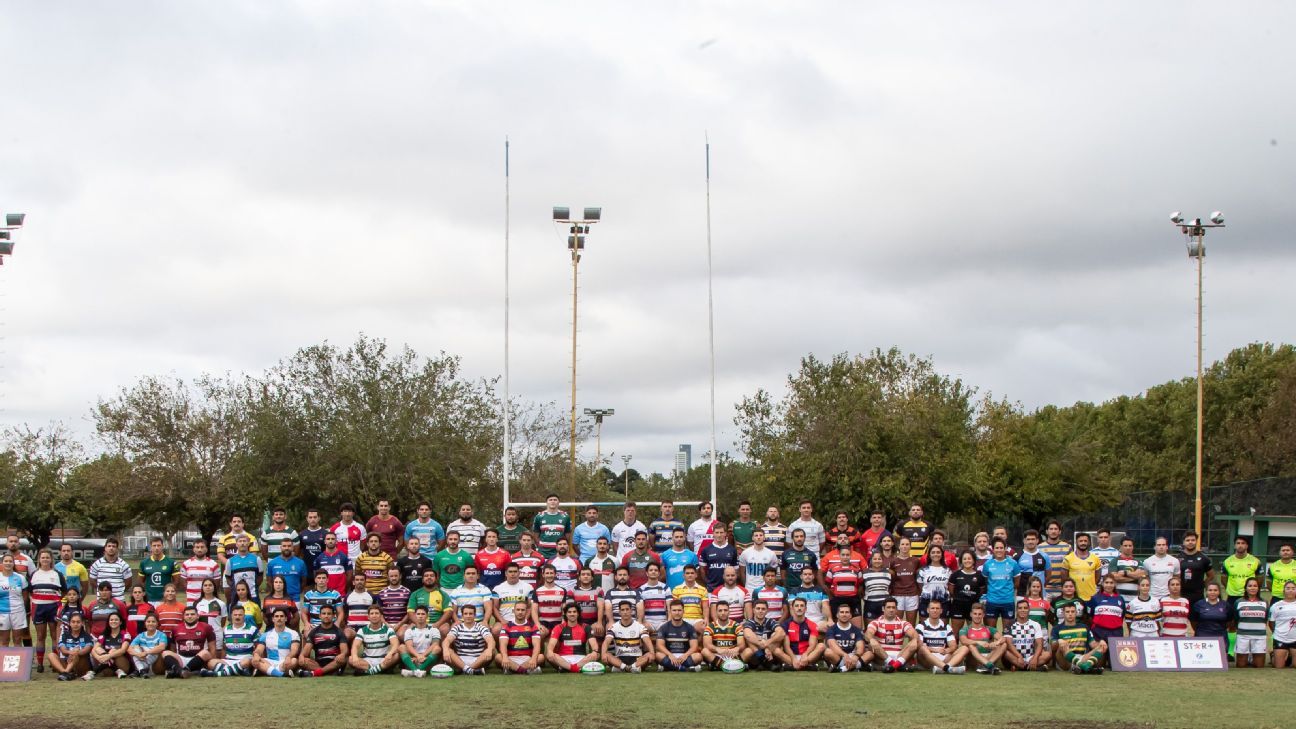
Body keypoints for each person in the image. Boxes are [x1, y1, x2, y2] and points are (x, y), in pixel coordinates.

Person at [28, 549, 65, 672]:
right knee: (40, 636)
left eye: (47, 557)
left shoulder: (57, 574)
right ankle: (40, 663)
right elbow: (29, 591)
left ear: (51, 559)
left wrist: (58, 603)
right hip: (38, 608)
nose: (45, 560)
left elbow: (64, 591)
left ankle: (55, 663)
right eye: (42, 557)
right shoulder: (34, 574)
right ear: (39, 559)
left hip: (53, 607)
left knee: (55, 635)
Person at [162, 605, 216, 679]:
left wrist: (211, 663)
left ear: (197, 616)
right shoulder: (176, 628)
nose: (190, 616)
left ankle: (180, 671)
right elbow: (173, 648)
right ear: (183, 617)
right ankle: (181, 671)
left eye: (192, 614)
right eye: (187, 614)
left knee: (205, 653)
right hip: (181, 658)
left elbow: (212, 647)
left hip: (198, 658)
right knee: (165, 653)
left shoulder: (207, 627)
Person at [865, 597, 918, 673]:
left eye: (893, 607)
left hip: (899, 655)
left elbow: (913, 633)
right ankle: (896, 665)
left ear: (896, 609)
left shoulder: (903, 623)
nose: (891, 610)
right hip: (882, 656)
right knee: (871, 643)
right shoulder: (876, 622)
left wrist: (915, 640)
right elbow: (868, 633)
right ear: (883, 609)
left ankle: (892, 666)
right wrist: (871, 639)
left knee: (916, 641)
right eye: (888, 607)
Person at [204, 603, 258, 677]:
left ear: (244, 616)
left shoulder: (252, 629)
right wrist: (222, 659)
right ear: (231, 616)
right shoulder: (226, 629)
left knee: (246, 662)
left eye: (240, 615)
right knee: (211, 663)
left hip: (245, 659)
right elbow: (224, 648)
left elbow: (258, 647)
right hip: (229, 660)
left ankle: (218, 674)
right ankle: (239, 671)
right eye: (235, 615)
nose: (237, 617)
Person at [1052, 602, 1105, 674]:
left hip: (1083, 657)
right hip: (1066, 661)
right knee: (1062, 646)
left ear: (1076, 613)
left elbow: (1093, 644)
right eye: (1067, 612)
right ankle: (1086, 667)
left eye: (1073, 611)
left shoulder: (1084, 627)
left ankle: (1082, 666)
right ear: (1063, 613)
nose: (1070, 614)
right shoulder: (1056, 628)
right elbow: (1053, 647)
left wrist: (1100, 643)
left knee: (1102, 646)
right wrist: (1059, 641)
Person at [914, 600, 966, 674]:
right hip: (927, 658)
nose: (935, 610)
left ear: (941, 611)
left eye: (937, 608)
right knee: (922, 648)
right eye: (932, 608)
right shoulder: (920, 626)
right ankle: (947, 668)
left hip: (943, 656)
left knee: (964, 648)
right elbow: (919, 646)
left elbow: (953, 646)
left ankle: (943, 668)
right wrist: (936, 650)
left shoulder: (946, 627)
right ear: (928, 610)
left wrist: (946, 650)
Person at [545, 602, 600, 673]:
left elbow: (594, 644)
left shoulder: (586, 627)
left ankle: (566, 669)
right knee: (549, 655)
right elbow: (551, 644)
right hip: (563, 659)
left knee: (597, 655)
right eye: (569, 612)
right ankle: (576, 669)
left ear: (578, 613)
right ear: (565, 614)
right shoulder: (558, 627)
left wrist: (594, 651)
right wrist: (549, 651)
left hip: (581, 659)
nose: (572, 614)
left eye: (574, 612)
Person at [296, 603, 348, 677]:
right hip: (318, 663)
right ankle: (327, 671)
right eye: (324, 613)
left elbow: (345, 650)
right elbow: (306, 650)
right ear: (320, 616)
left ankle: (315, 673)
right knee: (304, 660)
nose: (326, 616)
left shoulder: (339, 631)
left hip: (334, 662)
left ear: (333, 616)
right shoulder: (314, 632)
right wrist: (301, 656)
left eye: (329, 614)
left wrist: (342, 654)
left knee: (343, 659)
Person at [444, 602, 494, 674]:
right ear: (462, 615)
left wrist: (489, 650)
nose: (468, 616)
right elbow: (447, 640)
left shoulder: (480, 627)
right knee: (448, 650)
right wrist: (445, 650)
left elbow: (490, 639)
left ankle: (466, 670)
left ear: (475, 615)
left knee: (490, 650)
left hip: (478, 660)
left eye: (471, 614)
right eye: (466, 614)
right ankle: (470, 670)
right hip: (460, 660)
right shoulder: (457, 628)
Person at [347, 604, 398, 675]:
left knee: (397, 655)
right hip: (367, 661)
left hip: (384, 660)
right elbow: (355, 646)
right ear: (368, 617)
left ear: (381, 616)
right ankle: (382, 669)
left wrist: (390, 654)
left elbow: (395, 644)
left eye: (377, 613)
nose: (374, 616)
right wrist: (355, 656)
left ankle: (370, 672)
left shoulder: (388, 630)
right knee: (350, 659)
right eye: (372, 613)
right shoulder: (362, 630)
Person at [603, 600, 652, 673]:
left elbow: (647, 640)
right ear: (619, 612)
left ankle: (623, 668)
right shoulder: (614, 627)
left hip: (636, 658)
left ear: (631, 611)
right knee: (606, 655)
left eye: (627, 609)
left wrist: (652, 652)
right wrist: (603, 653)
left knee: (649, 655)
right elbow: (606, 642)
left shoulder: (639, 626)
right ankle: (630, 668)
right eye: (622, 610)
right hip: (620, 658)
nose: (625, 612)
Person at [253, 606, 300, 678]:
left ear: (286, 619)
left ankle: (267, 670)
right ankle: (281, 674)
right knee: (254, 661)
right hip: (270, 662)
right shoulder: (265, 635)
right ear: (273, 619)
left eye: (282, 616)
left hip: (285, 661)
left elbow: (294, 650)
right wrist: (256, 654)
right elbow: (259, 649)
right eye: (276, 616)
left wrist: (288, 657)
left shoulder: (293, 633)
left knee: (294, 661)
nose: (279, 618)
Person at [655, 600, 702, 671]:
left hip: (684, 657)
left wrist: (685, 655)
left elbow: (694, 646)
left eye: (679, 610)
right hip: (670, 656)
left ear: (683, 611)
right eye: (674, 610)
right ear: (670, 611)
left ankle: (669, 667)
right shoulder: (664, 627)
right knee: (658, 655)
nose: (677, 613)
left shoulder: (690, 627)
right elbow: (659, 645)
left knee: (698, 656)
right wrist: (670, 655)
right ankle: (684, 668)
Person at [498, 600, 543, 674]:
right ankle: (525, 671)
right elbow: (503, 645)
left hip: (528, 659)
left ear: (526, 611)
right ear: (513, 611)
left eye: (522, 610)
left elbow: (537, 646)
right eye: (518, 610)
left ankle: (512, 669)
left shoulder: (533, 627)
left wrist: (533, 659)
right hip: (511, 659)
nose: (520, 612)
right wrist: (505, 657)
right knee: (499, 657)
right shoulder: (506, 626)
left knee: (541, 657)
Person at [824, 602, 872, 672]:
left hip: (853, 657)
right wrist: (844, 655)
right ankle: (857, 667)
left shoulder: (856, 630)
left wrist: (856, 656)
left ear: (850, 615)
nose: (844, 614)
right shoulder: (831, 629)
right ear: (837, 615)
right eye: (842, 612)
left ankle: (842, 669)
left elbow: (860, 646)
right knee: (828, 652)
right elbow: (832, 645)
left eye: (847, 612)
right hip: (839, 656)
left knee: (870, 654)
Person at [960, 603, 1006, 674]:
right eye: (975, 614)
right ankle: (988, 665)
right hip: (974, 658)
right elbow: (963, 641)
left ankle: (986, 665)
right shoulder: (965, 629)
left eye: (979, 614)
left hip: (988, 656)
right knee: (971, 645)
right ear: (971, 614)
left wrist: (996, 642)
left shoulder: (988, 629)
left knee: (1004, 644)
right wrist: (978, 642)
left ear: (983, 615)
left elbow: (1003, 638)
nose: (977, 616)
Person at [1004, 599, 1049, 672]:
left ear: (1029, 610)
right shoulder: (1010, 624)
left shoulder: (1035, 624)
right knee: (1005, 652)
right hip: (1015, 657)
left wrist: (1035, 658)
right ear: (1016, 610)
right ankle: (1033, 667)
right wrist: (1019, 656)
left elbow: (1040, 644)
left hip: (1030, 657)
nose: (1023, 610)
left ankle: (1020, 667)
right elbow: (1009, 644)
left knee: (1047, 654)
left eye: (1025, 608)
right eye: (1020, 608)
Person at [1233, 577, 1269, 668]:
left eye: (1255, 586)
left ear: (1258, 588)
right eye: (1250, 586)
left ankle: (1252, 655)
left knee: (1259, 665)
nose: (1252, 588)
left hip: (1259, 636)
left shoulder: (1264, 602)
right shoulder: (1239, 602)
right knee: (1241, 665)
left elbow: (1265, 619)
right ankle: (1247, 655)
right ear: (1246, 588)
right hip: (1243, 635)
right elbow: (1236, 618)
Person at [49, 611, 95, 681]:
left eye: (78, 622)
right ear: (69, 623)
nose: (75, 624)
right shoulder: (64, 635)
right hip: (66, 661)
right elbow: (63, 650)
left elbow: (87, 649)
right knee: (51, 655)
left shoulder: (86, 636)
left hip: (81, 665)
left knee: (76, 652)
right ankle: (66, 673)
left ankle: (65, 673)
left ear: (82, 623)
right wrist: (70, 652)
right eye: (73, 622)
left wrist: (75, 652)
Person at [740, 599, 784, 670]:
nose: (760, 611)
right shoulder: (749, 622)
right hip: (756, 651)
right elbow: (747, 634)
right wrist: (762, 645)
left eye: (763, 609)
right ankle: (767, 663)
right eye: (758, 608)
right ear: (753, 610)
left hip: (769, 650)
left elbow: (781, 633)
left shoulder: (770, 621)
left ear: (767, 611)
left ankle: (765, 662)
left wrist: (767, 644)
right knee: (749, 639)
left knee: (776, 635)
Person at [950, 549, 987, 635]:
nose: (967, 561)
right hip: (958, 607)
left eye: (969, 558)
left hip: (973, 607)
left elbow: (981, 591)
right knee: (955, 634)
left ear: (974, 560)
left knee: (973, 634)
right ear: (961, 561)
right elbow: (951, 590)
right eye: (965, 559)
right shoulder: (955, 575)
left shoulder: (979, 576)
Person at [398, 605, 441, 677]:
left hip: (427, 659)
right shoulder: (409, 631)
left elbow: (435, 644)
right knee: (401, 647)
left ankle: (415, 671)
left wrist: (422, 656)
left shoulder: (434, 629)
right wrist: (417, 656)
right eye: (418, 614)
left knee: (437, 648)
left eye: (423, 614)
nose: (420, 616)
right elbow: (409, 646)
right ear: (415, 616)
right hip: (413, 660)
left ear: (427, 616)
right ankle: (417, 671)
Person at [1087, 574, 1126, 653]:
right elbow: (1090, 616)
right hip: (1099, 632)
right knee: (1099, 659)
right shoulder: (1095, 598)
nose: (1109, 585)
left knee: (1114, 661)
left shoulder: (1120, 599)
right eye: (1106, 582)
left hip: (1116, 632)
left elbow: (1122, 616)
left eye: (1111, 583)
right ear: (1102, 583)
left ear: (1115, 584)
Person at [700, 600, 744, 670]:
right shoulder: (710, 626)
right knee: (704, 651)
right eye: (720, 611)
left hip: (732, 654)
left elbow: (741, 644)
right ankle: (731, 666)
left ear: (729, 611)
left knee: (748, 651)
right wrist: (718, 649)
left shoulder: (736, 626)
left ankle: (718, 665)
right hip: (717, 655)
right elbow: (707, 645)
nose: (723, 613)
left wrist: (737, 649)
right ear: (716, 612)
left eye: (725, 610)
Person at [1221, 536, 1261, 609]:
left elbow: (1259, 579)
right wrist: (1231, 588)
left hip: (1248, 596)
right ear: (1234, 545)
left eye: (1243, 543)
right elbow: (1223, 579)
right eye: (1238, 543)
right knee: (1230, 619)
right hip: (1232, 596)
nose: (1240, 545)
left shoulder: (1255, 561)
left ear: (1247, 546)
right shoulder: (1227, 561)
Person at [890, 536, 922, 625]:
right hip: (897, 594)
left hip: (912, 594)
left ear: (910, 546)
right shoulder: (893, 561)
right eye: (902, 544)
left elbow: (918, 577)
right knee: (897, 623)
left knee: (910, 624)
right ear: (899, 546)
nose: (905, 546)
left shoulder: (916, 561)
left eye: (907, 544)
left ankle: (911, 639)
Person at [224, 534, 265, 602]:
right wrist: (235, 587)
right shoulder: (230, 561)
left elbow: (260, 577)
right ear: (236, 544)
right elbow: (228, 578)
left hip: (253, 596)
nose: (242, 543)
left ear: (248, 543)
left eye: (244, 541)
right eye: (240, 541)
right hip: (237, 597)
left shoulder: (257, 559)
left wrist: (253, 587)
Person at [179, 539, 221, 605]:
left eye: (202, 547)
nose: (199, 549)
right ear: (193, 549)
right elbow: (182, 580)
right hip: (191, 598)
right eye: (197, 547)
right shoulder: (186, 564)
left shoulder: (213, 564)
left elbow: (216, 583)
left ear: (206, 549)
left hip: (208, 598)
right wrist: (190, 590)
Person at [491, 563, 534, 630]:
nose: (513, 574)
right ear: (506, 573)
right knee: (496, 630)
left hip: (522, 620)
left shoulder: (528, 587)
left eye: (515, 571)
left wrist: (524, 620)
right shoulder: (497, 589)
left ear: (519, 573)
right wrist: (502, 621)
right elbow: (495, 608)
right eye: (510, 572)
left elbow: (530, 607)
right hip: (505, 620)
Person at [89, 612, 131, 678]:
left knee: (113, 650)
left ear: (120, 622)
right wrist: (98, 657)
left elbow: (123, 650)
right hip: (108, 664)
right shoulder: (104, 635)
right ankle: (117, 670)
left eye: (116, 620)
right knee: (98, 649)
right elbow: (94, 650)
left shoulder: (125, 634)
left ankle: (92, 672)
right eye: (111, 620)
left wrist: (108, 656)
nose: (113, 621)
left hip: (122, 663)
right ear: (108, 622)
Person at [699, 522, 738, 592]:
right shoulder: (706, 550)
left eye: (721, 532)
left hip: (729, 589)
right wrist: (708, 583)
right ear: (713, 534)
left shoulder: (732, 550)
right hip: (712, 589)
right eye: (717, 532)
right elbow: (702, 570)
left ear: (725, 533)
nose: (719, 535)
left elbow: (736, 570)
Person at [266, 538, 308, 603]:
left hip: (295, 599)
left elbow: (304, 581)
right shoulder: (272, 563)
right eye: (284, 546)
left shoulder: (300, 563)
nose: (286, 548)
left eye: (289, 546)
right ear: (280, 547)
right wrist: (275, 593)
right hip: (278, 599)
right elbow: (269, 581)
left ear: (292, 547)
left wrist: (297, 591)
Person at [1177, 530, 1215, 603]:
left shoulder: (1204, 558)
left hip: (1198, 595)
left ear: (1196, 541)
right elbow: (1175, 576)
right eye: (1187, 540)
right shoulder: (1177, 558)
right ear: (1184, 542)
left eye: (1193, 540)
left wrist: (1203, 584)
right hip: (1182, 594)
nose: (1190, 542)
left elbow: (1211, 576)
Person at [532, 565, 569, 637]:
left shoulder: (562, 590)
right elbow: (534, 610)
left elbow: (564, 609)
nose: (549, 575)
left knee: (559, 638)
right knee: (539, 634)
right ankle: (540, 649)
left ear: (555, 574)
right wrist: (538, 624)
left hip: (558, 622)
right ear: (543, 575)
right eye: (547, 573)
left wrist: (563, 623)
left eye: (551, 573)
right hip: (543, 622)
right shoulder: (537, 591)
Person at [1063, 533, 1102, 601]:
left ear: (1089, 542)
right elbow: (1064, 578)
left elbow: (1097, 578)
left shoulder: (1096, 559)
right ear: (1076, 542)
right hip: (1074, 598)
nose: (1083, 543)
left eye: (1085, 541)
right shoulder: (1068, 558)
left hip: (1091, 597)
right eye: (1080, 541)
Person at [917, 544, 952, 621]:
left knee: (943, 628)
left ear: (942, 554)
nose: (935, 554)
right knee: (925, 627)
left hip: (944, 601)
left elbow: (949, 586)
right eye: (933, 552)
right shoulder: (923, 570)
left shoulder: (948, 571)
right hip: (926, 601)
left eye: (938, 552)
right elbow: (920, 587)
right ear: (929, 555)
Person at [531, 494, 571, 559]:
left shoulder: (565, 516)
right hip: (543, 553)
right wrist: (541, 546)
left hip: (559, 553)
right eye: (550, 500)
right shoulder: (539, 516)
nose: (553, 501)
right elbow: (536, 535)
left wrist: (562, 547)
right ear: (546, 502)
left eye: (555, 500)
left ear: (558, 502)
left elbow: (567, 535)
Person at [127, 613, 167, 677]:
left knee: (156, 649)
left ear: (157, 624)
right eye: (148, 621)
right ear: (145, 624)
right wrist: (139, 654)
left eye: (153, 621)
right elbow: (129, 649)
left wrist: (146, 652)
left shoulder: (161, 635)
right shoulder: (140, 635)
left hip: (155, 663)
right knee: (135, 648)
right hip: (142, 658)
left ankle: (138, 670)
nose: (150, 623)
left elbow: (162, 647)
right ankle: (142, 670)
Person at [570, 567, 605, 639]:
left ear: (592, 578)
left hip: (594, 621)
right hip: (578, 622)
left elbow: (600, 607)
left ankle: (596, 650)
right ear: (579, 578)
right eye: (583, 574)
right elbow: (569, 609)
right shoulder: (572, 591)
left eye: (588, 574)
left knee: (599, 631)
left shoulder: (598, 590)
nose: (586, 576)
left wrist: (599, 623)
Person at [672, 565, 710, 631]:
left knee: (705, 629)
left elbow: (705, 607)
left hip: (697, 620)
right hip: (682, 619)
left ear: (696, 575)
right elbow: (674, 608)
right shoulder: (676, 589)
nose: (690, 575)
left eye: (692, 573)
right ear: (683, 575)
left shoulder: (703, 589)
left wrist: (706, 618)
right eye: (687, 573)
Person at [1039, 521, 1071, 599]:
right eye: (1051, 529)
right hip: (1045, 589)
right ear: (1047, 531)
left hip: (1063, 589)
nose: (1053, 531)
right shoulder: (1039, 548)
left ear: (1059, 531)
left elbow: (1070, 567)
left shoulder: (1068, 547)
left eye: (1056, 529)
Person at [1268, 580, 1296, 669]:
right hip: (1281, 638)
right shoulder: (1276, 606)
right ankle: (1274, 655)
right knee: (1279, 667)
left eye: (1293, 588)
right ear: (1283, 591)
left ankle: (1290, 656)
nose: (1290, 590)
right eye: (1288, 588)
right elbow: (1271, 623)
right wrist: (1277, 633)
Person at [1015, 530, 1051, 598]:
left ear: (1037, 540)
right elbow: (1014, 577)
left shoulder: (1044, 556)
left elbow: (1048, 576)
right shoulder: (1017, 556)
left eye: (1033, 539)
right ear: (1024, 541)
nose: (1030, 541)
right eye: (1028, 539)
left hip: (1040, 596)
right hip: (1022, 595)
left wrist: (1041, 585)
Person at [1142, 536, 1180, 601]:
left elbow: (1177, 578)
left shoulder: (1175, 561)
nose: (1161, 547)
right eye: (1159, 545)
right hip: (1153, 596)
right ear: (1155, 547)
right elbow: (1146, 579)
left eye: (1163, 545)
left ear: (1167, 547)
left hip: (1168, 595)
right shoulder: (1147, 562)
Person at [1109, 537, 1146, 603]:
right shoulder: (1114, 561)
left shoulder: (1138, 562)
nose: (1128, 547)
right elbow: (1114, 577)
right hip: (1118, 598)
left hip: (1134, 599)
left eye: (1130, 545)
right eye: (1125, 546)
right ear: (1121, 547)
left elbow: (1141, 576)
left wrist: (1125, 573)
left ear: (1133, 547)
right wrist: (1134, 577)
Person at [315, 531, 352, 595]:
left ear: (336, 541)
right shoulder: (319, 558)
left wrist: (345, 589)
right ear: (325, 541)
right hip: (324, 594)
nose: (330, 541)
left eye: (333, 539)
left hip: (340, 593)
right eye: (328, 539)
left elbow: (350, 575)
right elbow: (316, 576)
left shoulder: (343, 556)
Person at [192, 578, 226, 646]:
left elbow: (223, 621)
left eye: (210, 585)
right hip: (201, 635)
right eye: (205, 585)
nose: (208, 587)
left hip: (216, 634)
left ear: (214, 587)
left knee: (216, 655)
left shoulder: (221, 603)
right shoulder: (197, 603)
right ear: (202, 588)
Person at [861, 551, 892, 622]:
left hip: (884, 604)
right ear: (871, 560)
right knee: (870, 629)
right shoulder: (865, 573)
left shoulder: (888, 573)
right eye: (875, 559)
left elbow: (891, 587)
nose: (877, 561)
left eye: (879, 559)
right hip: (870, 604)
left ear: (882, 560)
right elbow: (861, 589)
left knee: (884, 629)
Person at [343, 572, 374, 639]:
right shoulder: (348, 596)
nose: (359, 582)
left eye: (362, 580)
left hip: (367, 626)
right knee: (346, 635)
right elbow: (344, 612)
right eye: (357, 580)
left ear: (365, 582)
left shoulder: (371, 595)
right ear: (353, 582)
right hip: (352, 626)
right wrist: (345, 625)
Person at [299, 508, 329, 574]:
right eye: (310, 517)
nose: (312, 519)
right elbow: (300, 552)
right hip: (306, 569)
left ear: (319, 518)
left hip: (322, 568)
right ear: (307, 518)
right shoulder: (302, 534)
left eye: (315, 517)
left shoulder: (325, 533)